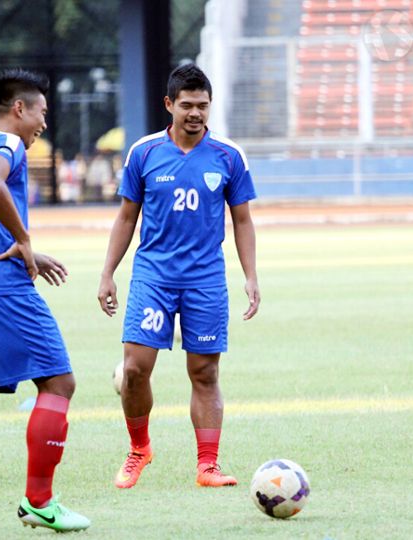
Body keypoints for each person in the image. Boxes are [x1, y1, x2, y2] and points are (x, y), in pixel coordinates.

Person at [97, 63, 260, 489]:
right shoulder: (144, 153)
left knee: (205, 372)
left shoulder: (228, 155)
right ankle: (139, 450)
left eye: (202, 106)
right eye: (186, 105)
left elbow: (242, 220)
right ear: (169, 104)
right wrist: (108, 273)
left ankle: (207, 465)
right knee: (135, 369)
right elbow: (126, 217)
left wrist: (250, 276)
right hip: (153, 276)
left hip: (205, 279)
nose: (195, 113)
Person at [0, 69, 89, 535]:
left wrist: (24, 245)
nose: (43, 125)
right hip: (0, 284)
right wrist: (24, 239)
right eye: (41, 113)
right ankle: (40, 502)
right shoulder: (5, 146)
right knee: (59, 384)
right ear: (18, 108)